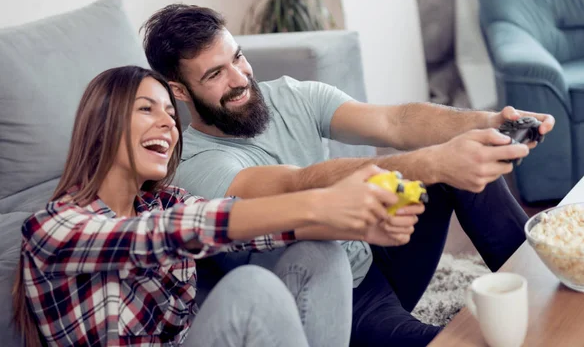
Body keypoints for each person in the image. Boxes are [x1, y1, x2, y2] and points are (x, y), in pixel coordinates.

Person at [141, 4, 557, 347]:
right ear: (180, 91)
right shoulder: (193, 167)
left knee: (463, 170)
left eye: (237, 57)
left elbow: (395, 121)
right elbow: (297, 183)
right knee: (451, 342)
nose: (240, 78)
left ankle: (545, 290)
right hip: (335, 301)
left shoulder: (288, 95)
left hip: (376, 252)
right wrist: (433, 160)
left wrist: (487, 121)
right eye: (215, 75)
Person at [12, 66, 418, 347]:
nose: (169, 124)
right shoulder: (55, 228)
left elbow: (252, 229)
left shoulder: (165, 202)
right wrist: (325, 202)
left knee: (320, 250)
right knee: (251, 289)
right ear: (102, 121)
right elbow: (179, 230)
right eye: (146, 109)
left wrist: (359, 222)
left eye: (171, 113)